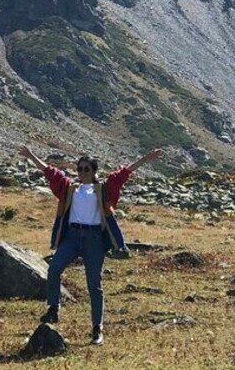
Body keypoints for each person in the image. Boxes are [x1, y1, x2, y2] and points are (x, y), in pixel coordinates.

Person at [18, 145, 164, 345]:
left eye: (87, 169)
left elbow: (124, 173)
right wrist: (31, 156)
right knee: (54, 269)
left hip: (94, 239)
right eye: (80, 169)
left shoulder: (104, 188)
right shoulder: (69, 187)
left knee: (94, 285)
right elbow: (50, 173)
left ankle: (97, 328)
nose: (82, 172)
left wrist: (146, 158)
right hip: (71, 236)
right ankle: (53, 308)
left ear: (94, 171)